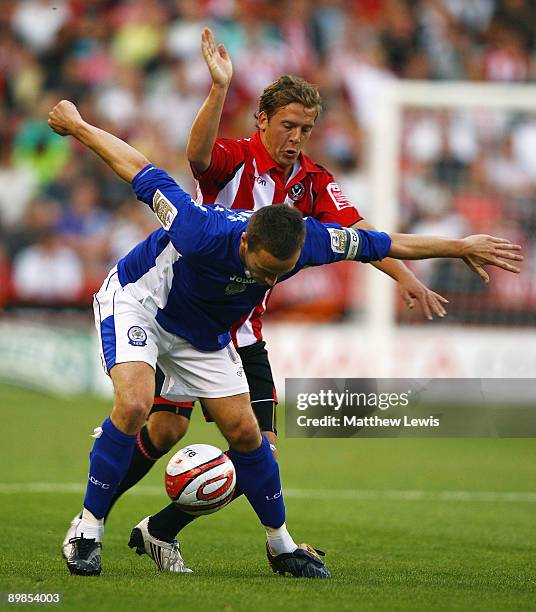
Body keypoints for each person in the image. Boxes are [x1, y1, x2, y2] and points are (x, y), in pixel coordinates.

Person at [48, 100, 522, 578]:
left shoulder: (311, 241)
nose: (271, 281)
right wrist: (79, 125)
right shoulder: (200, 229)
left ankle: (281, 546)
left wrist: (460, 246)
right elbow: (137, 167)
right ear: (246, 243)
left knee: (248, 433)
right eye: (265, 270)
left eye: (282, 273)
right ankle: (87, 530)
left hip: (205, 334)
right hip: (140, 304)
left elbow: (388, 241)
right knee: (133, 405)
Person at [69, 27, 450, 557]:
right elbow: (191, 158)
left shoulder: (313, 186)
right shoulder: (229, 174)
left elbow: (364, 238)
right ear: (263, 120)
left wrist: (412, 274)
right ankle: (91, 522)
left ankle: (172, 531)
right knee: (157, 428)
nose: (296, 137)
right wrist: (218, 87)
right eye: (288, 125)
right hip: (171, 301)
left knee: (255, 441)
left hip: (235, 325)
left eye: (307, 128)